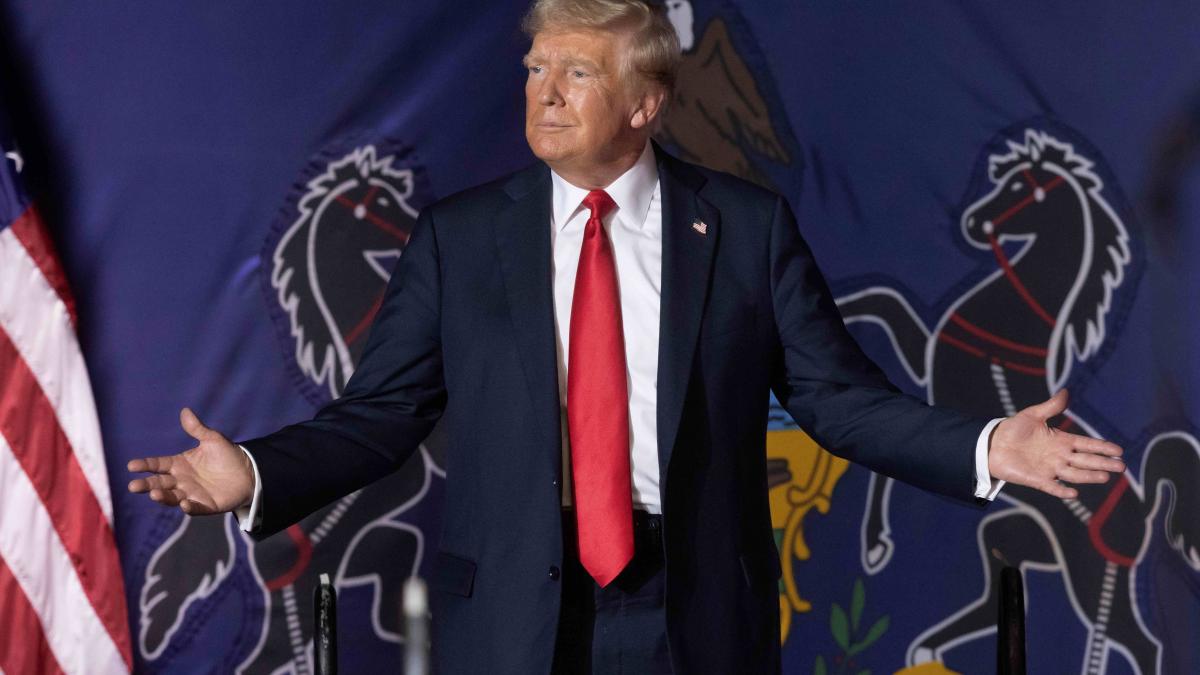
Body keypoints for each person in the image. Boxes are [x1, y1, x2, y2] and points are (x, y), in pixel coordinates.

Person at [127, 1, 1126, 673]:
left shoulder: (744, 229)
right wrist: (253, 473)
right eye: (535, 68)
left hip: (691, 613)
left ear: (645, 104)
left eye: (575, 72)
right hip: (512, 617)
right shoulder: (459, 240)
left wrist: (986, 445)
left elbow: (838, 400)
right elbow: (381, 415)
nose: (543, 92)